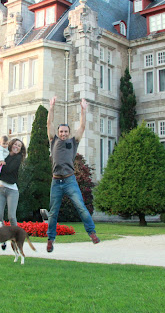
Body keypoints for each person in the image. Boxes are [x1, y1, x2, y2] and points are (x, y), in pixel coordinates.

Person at [44, 96, 99, 253]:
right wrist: (51, 107)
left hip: (70, 180)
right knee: (53, 212)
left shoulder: (73, 142)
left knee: (81, 207)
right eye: (61, 131)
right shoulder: (53, 140)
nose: (63, 133)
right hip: (56, 182)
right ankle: (50, 239)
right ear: (58, 132)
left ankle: (92, 233)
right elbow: (49, 123)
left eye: (65, 132)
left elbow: (82, 126)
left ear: (68, 133)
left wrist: (83, 110)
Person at [0, 138, 26, 228]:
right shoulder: (4, 153)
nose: (16, 147)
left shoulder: (18, 158)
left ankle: (16, 235)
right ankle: (1, 235)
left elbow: (8, 169)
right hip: (0, 189)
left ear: (20, 149)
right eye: (15, 144)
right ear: (11, 144)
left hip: (12, 190)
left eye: (19, 146)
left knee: (11, 217)